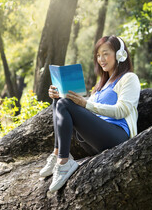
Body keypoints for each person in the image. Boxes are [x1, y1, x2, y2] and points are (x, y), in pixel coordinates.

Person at [39, 35, 141, 193]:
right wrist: (60, 94)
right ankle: (57, 154)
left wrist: (86, 103)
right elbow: (88, 109)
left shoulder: (129, 78)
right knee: (60, 101)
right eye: (99, 55)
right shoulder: (100, 85)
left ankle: (63, 162)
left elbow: (122, 110)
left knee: (65, 103)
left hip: (117, 137)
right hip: (95, 142)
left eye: (106, 53)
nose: (101, 59)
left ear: (120, 54)